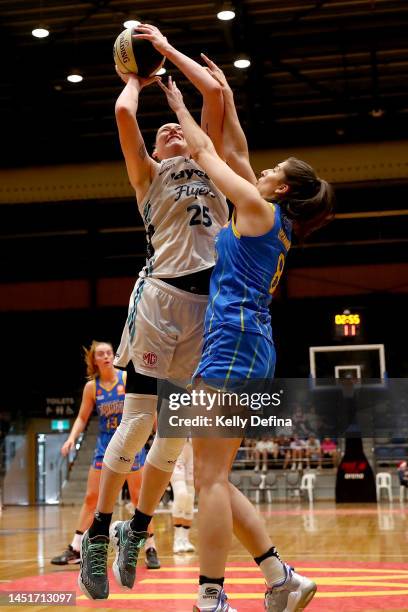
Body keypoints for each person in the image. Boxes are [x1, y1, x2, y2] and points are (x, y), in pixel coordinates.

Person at [156, 62, 334, 611]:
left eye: (270, 169)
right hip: (250, 344)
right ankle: (281, 576)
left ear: (279, 188)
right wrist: (225, 96)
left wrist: (181, 109)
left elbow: (211, 156)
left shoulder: (256, 210)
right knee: (217, 476)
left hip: (233, 342)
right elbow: (235, 150)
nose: (258, 170)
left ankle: (211, 597)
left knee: (209, 478)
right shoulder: (266, 217)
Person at [78, 24, 228, 601]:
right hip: (161, 301)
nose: (169, 132)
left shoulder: (210, 161)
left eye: (177, 130)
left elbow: (214, 100)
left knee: (175, 435)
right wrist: (137, 79)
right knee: (140, 422)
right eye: (162, 134)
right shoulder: (148, 175)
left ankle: (135, 529)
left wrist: (173, 85)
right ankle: (95, 532)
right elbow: (122, 115)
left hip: (205, 312)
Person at [51, 341, 159, 569]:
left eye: (110, 352)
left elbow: (147, 406)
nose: (107, 356)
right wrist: (71, 438)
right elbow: (82, 417)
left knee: (139, 498)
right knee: (92, 498)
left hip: (130, 442)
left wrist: (159, 432)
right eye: (102, 354)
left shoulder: (126, 379)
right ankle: (76, 548)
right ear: (95, 360)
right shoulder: (92, 388)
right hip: (104, 445)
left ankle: (150, 547)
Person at [171, 440, 195, 553]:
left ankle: (185, 539)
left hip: (194, 447)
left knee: (190, 498)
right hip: (175, 445)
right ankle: (177, 539)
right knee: (181, 494)